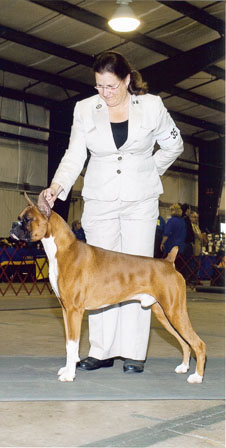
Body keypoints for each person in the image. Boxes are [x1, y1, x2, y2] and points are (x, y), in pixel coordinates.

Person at [43, 51, 183, 374]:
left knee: (137, 275)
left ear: (127, 80)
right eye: (99, 86)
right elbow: (75, 155)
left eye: (111, 86)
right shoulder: (84, 110)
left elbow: (175, 146)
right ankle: (102, 349)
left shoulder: (151, 106)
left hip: (140, 203)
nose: (105, 93)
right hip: (101, 202)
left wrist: (151, 170)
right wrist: (56, 188)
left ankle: (134, 351)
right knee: (99, 277)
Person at [180, 203, 195, 285]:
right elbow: (188, 232)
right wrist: (191, 241)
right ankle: (188, 279)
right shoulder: (186, 220)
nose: (190, 211)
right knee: (189, 262)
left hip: (183, 244)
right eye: (189, 209)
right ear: (186, 210)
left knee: (184, 263)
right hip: (187, 244)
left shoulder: (182, 219)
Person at [190, 211, 202, 285]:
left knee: (198, 265)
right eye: (194, 217)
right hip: (194, 248)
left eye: (197, 217)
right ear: (190, 218)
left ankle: (196, 278)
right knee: (193, 264)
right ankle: (191, 279)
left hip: (199, 248)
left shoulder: (197, 226)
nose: (196, 219)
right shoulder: (191, 226)